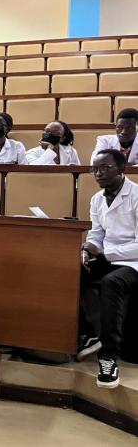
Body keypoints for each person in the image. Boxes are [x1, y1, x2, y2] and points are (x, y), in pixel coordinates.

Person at [78, 149, 138, 389]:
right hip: (108, 256)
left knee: (111, 282)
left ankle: (109, 357)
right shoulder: (97, 199)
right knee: (72, 272)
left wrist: (104, 253)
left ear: (122, 168)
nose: (98, 173)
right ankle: (88, 334)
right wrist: (87, 250)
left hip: (133, 261)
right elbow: (97, 233)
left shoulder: (136, 195)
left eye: (104, 168)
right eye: (95, 169)